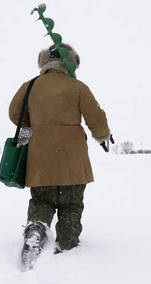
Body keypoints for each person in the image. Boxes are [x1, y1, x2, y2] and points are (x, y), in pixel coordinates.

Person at [9, 43, 110, 265]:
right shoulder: (77, 87)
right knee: (71, 205)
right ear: (70, 63)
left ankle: (36, 230)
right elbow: (96, 118)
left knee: (41, 201)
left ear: (44, 62)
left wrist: (33, 128)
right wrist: (103, 136)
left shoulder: (30, 86)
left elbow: (15, 113)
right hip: (73, 162)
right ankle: (67, 241)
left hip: (40, 160)